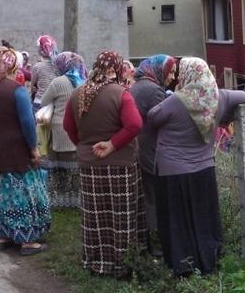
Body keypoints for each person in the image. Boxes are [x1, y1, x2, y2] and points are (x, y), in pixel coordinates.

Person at [148, 57, 245, 277]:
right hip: (203, 169)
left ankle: (182, 264)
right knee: (203, 217)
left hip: (173, 170)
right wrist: (225, 112)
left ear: (186, 75)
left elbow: (153, 117)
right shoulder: (219, 97)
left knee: (178, 220)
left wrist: (172, 93)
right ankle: (208, 261)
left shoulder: (176, 100)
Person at [63, 50, 145, 277]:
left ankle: (96, 262)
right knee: (121, 216)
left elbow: (68, 126)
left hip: (90, 165)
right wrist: (112, 144)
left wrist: (83, 146)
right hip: (120, 165)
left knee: (95, 216)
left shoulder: (78, 93)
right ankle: (123, 264)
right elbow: (135, 125)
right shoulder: (121, 93)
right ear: (117, 69)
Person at [0, 47, 51, 256]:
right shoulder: (17, 90)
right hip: (15, 154)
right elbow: (27, 122)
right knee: (20, 195)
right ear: (17, 67)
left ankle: (2, 235)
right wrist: (33, 148)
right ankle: (26, 241)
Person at [129, 54, 177, 253]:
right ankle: (156, 244)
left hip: (137, 148)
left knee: (145, 195)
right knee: (155, 197)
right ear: (158, 70)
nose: (173, 77)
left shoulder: (137, 86)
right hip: (151, 150)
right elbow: (163, 123)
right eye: (171, 72)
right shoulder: (154, 90)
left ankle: (145, 240)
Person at [39, 51, 85, 208]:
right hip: (79, 128)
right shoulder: (83, 81)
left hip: (60, 128)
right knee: (75, 166)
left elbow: (43, 101)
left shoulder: (58, 82)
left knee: (59, 166)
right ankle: (76, 202)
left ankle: (59, 201)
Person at [30, 35, 59, 113]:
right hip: (54, 103)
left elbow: (32, 85)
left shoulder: (37, 66)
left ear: (41, 50)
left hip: (39, 102)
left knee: (37, 125)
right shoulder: (58, 66)